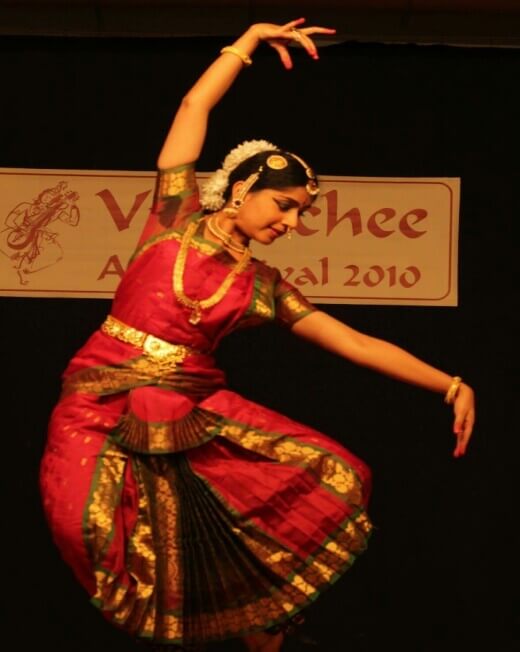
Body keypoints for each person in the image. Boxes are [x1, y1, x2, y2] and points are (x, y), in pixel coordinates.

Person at [39, 18, 476, 652]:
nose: (293, 222)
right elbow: (195, 105)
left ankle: (263, 630)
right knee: (84, 527)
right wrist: (245, 43)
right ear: (242, 189)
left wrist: (452, 383)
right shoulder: (171, 218)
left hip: (193, 410)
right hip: (98, 406)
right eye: (285, 205)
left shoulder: (264, 286)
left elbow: (355, 343)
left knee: (333, 475)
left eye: (302, 211)